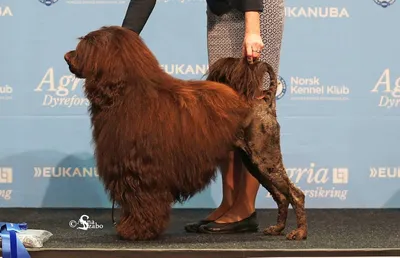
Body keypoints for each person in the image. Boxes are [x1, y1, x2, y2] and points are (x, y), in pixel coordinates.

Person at [122, 0, 285, 234]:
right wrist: (125, 38)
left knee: (253, 106)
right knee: (223, 111)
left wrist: (252, 29)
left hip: (257, 10)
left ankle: (245, 208)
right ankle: (228, 203)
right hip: (221, 11)